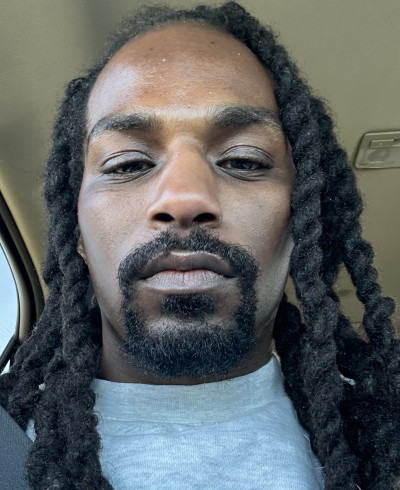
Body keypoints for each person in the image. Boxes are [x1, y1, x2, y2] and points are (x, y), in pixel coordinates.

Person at [0, 2, 399, 489]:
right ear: (77, 233)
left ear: (301, 221)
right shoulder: (7, 440)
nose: (183, 198)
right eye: (127, 164)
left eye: (244, 160)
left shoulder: (381, 441)